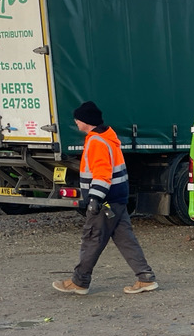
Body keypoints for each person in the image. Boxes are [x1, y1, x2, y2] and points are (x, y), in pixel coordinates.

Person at [52, 101, 158, 295]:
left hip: (105, 201)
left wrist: (94, 199)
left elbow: (102, 173)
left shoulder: (96, 142)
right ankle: (145, 277)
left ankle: (80, 281)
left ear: (86, 121)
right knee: (125, 239)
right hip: (116, 200)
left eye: (77, 119)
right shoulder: (107, 139)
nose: (75, 122)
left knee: (92, 237)